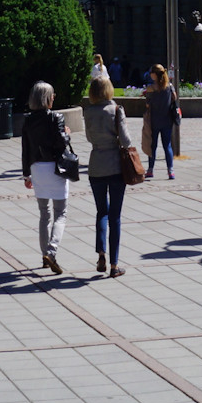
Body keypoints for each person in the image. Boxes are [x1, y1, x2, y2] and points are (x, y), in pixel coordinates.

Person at [20, 81, 73, 275]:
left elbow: (25, 149)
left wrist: (26, 173)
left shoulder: (28, 120)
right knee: (61, 213)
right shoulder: (56, 117)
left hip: (37, 168)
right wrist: (67, 134)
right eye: (52, 95)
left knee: (44, 213)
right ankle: (51, 251)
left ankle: (44, 255)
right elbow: (60, 141)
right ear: (47, 99)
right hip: (55, 168)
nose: (54, 98)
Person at [82, 76, 132, 278]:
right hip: (116, 166)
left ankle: (101, 253)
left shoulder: (88, 111)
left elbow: (88, 138)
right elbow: (127, 141)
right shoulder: (116, 110)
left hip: (96, 165)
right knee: (115, 216)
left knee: (101, 212)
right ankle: (114, 264)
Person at [140, 64, 177, 179]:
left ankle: (150, 170)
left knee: (153, 146)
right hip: (167, 120)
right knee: (167, 146)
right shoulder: (169, 86)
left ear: (155, 74)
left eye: (151, 72)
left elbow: (147, 104)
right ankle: (170, 170)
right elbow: (174, 98)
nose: (150, 74)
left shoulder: (151, 88)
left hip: (154, 121)